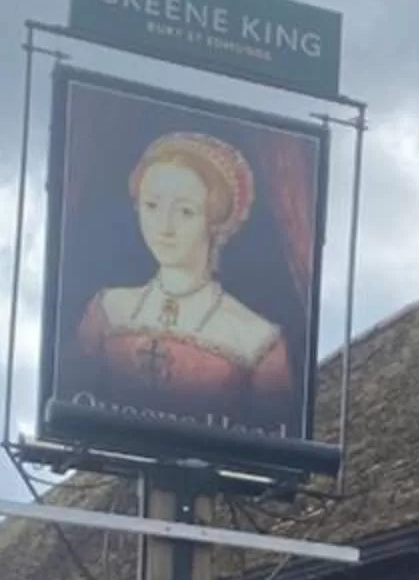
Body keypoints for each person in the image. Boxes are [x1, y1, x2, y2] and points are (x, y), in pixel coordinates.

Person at [69, 131, 293, 427]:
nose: (164, 226)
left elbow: (273, 434)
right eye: (151, 206)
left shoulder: (256, 339)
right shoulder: (109, 309)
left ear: (215, 221)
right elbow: (74, 392)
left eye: (185, 211)